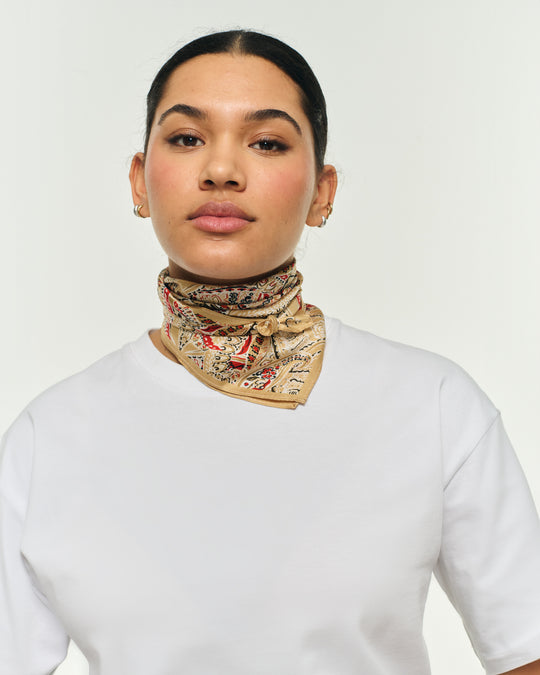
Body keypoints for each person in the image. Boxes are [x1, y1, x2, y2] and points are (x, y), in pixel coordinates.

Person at [1, 29, 539, 675]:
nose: (221, 170)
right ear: (139, 182)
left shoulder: (434, 406)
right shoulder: (50, 437)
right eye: (187, 138)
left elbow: (524, 649)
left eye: (267, 143)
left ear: (322, 192)